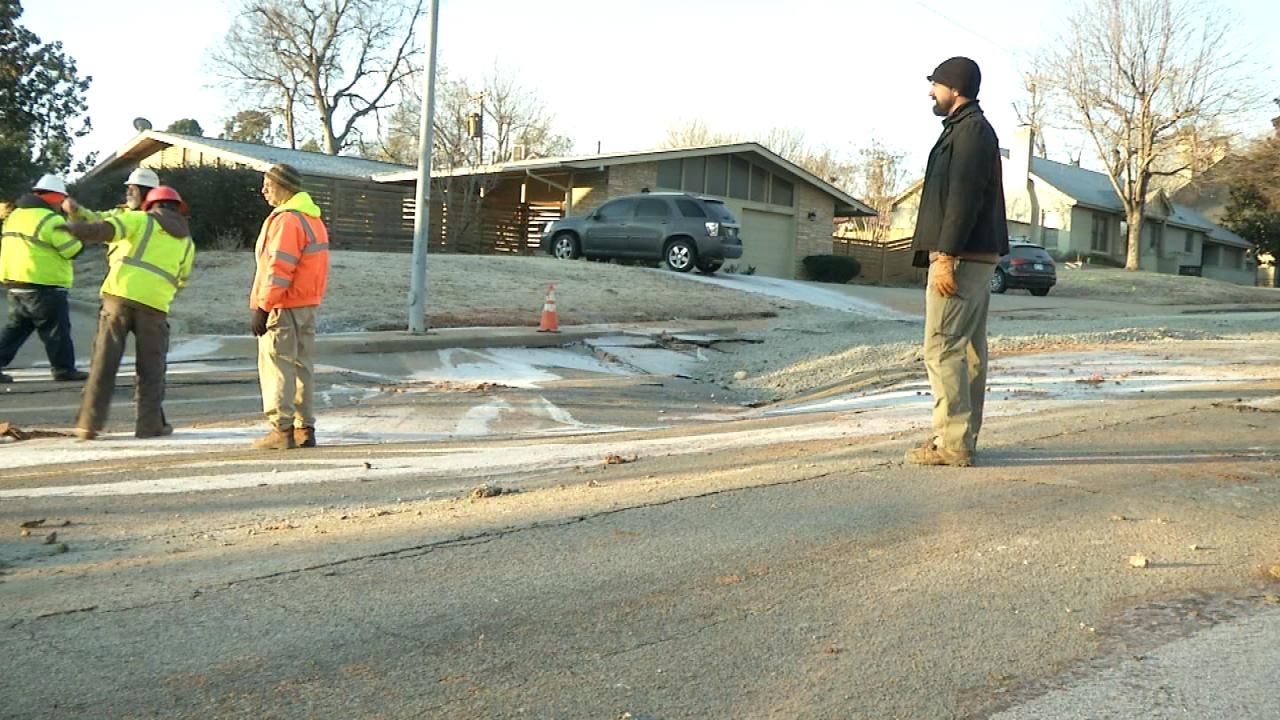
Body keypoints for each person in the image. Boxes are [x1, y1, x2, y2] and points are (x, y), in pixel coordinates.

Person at [905, 56, 1009, 468]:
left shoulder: (970, 132)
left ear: (955, 88)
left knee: (943, 346)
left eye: (936, 84)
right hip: (972, 255)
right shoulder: (966, 130)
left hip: (962, 256)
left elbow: (963, 197)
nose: (930, 91)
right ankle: (960, 436)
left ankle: (952, 442)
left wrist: (946, 255)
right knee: (966, 350)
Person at [58, 186, 195, 440]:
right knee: (151, 369)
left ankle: (89, 424)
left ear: (150, 205)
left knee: (104, 362)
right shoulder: (187, 243)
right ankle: (149, 425)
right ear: (178, 209)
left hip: (118, 298)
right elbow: (182, 279)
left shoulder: (140, 219)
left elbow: (105, 230)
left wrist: (75, 228)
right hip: (155, 306)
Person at [249, 164, 330, 450]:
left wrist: (263, 307)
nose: (263, 190)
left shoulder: (287, 221)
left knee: (278, 365)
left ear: (283, 187)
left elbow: (279, 268)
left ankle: (281, 430)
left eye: (268, 184)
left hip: (283, 305)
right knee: (301, 366)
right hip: (306, 304)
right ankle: (303, 428)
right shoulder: (312, 219)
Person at [0, 174, 92, 383]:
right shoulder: (51, 220)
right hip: (43, 284)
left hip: (15, 282)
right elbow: (72, 250)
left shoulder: (15, 216)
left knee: (17, 328)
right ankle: (63, 369)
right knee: (56, 330)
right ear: (57, 198)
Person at [64, 167, 161, 222]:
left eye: (133, 189)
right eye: (128, 189)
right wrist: (77, 210)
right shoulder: (121, 213)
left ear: (147, 193)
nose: (128, 193)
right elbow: (97, 218)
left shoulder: (162, 219)